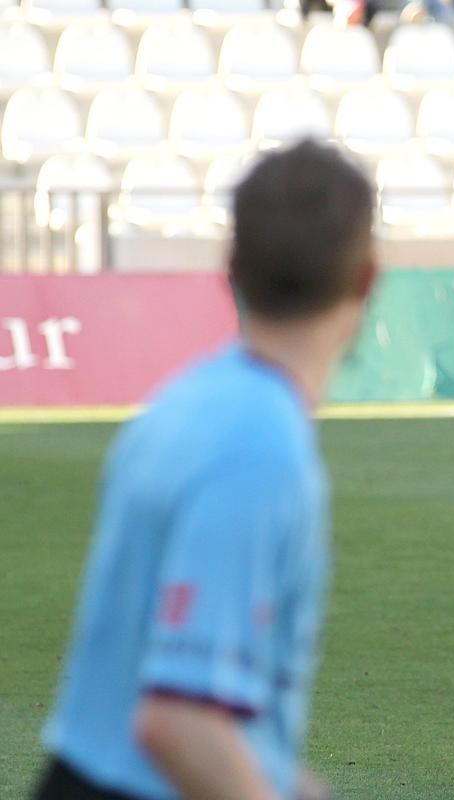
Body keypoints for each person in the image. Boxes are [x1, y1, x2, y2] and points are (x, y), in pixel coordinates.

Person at [33, 140, 376, 800]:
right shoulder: (259, 448)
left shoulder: (183, 402)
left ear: (230, 270)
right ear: (367, 277)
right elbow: (180, 723)